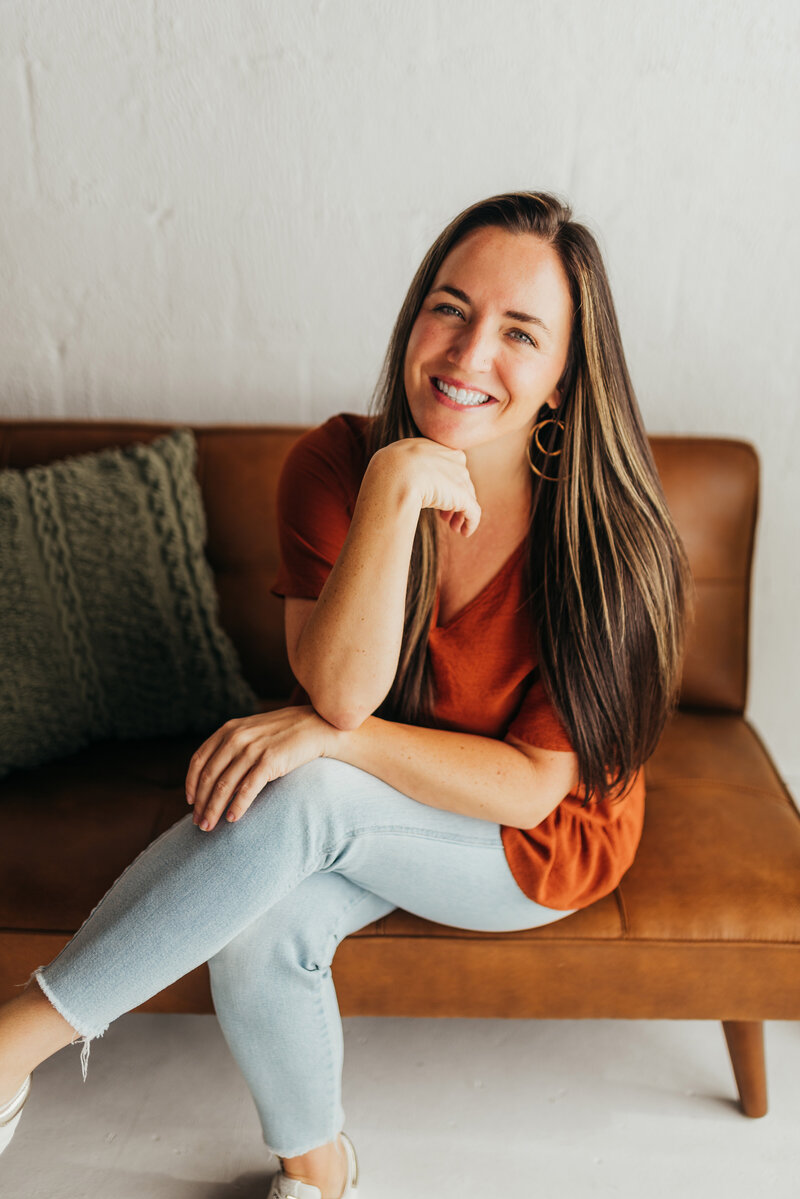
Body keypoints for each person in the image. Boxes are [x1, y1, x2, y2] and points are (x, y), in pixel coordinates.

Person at [0, 191, 692, 1198]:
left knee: (307, 788)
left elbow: (528, 789)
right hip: (388, 797)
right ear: (412, 317)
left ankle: (13, 1041)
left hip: (535, 841)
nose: (467, 352)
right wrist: (393, 489)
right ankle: (321, 1172)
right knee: (259, 923)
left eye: (518, 331)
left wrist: (337, 748)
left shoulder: (611, 544)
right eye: (448, 308)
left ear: (563, 376)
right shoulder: (335, 463)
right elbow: (334, 689)